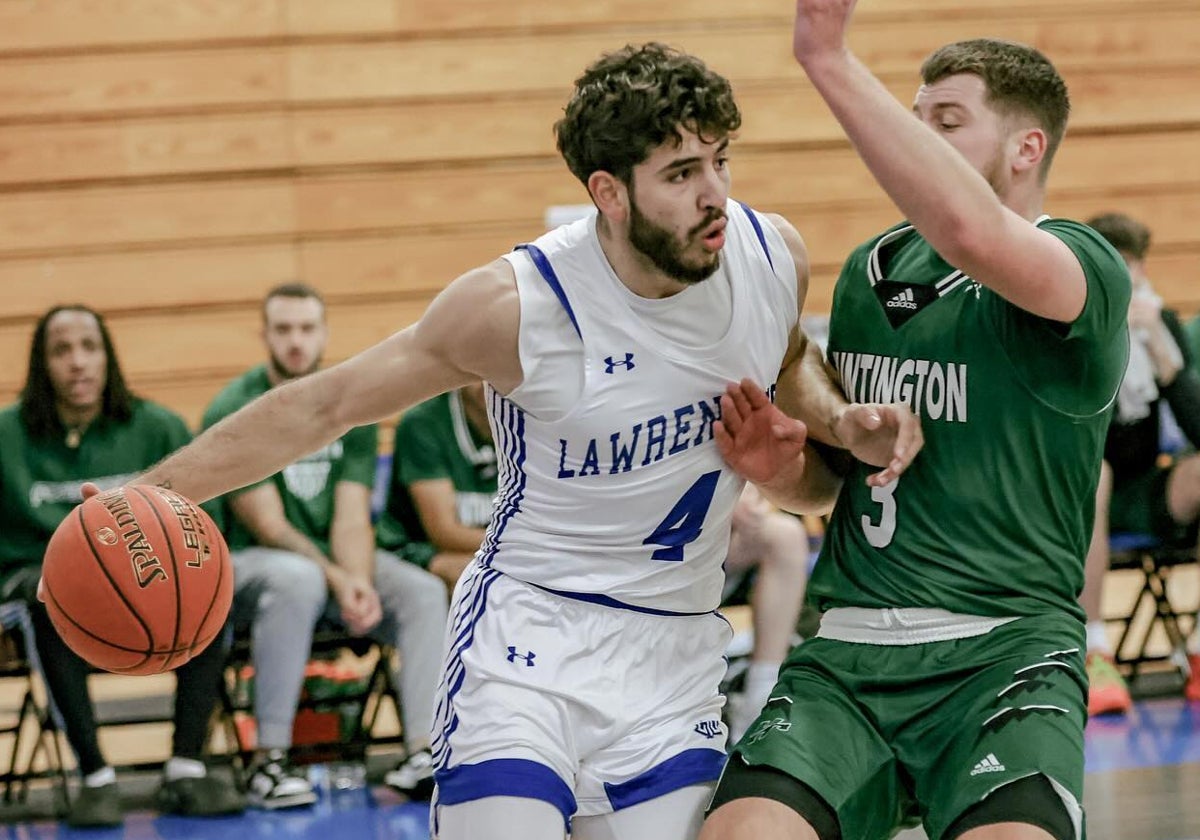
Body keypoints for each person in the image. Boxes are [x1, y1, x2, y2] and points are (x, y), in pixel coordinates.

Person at [55, 43, 923, 839]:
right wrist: (155, 491)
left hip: (672, 653)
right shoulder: (521, 307)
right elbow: (328, 404)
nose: (715, 196)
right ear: (608, 192)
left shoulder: (771, 258)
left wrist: (827, 431)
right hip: (529, 642)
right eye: (682, 172)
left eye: (721, 162)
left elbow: (794, 375)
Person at [700, 5, 1131, 840]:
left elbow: (972, 230)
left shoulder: (1084, 265)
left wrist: (824, 58)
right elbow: (832, 485)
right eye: (915, 117)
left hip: (1004, 653)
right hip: (852, 649)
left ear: (1026, 147)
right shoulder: (871, 268)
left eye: (947, 121)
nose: (917, 136)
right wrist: (779, 467)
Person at [201, 283, 449, 808]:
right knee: (299, 578)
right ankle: (270, 761)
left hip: (328, 560)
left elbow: (352, 514)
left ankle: (422, 752)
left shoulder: (349, 401)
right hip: (252, 564)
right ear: (265, 335)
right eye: (284, 329)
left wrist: (357, 580)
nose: (296, 341)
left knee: (421, 591)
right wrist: (338, 577)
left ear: (324, 334)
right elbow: (268, 524)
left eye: (307, 329)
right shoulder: (235, 406)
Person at [0, 306, 244, 826]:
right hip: (33, 578)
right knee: (47, 600)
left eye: (90, 347)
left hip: (147, 577)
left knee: (201, 596)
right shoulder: (7, 436)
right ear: (42, 364)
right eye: (62, 350)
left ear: (107, 357)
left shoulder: (158, 427)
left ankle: (186, 768)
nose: (78, 362)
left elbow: (204, 529)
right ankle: (95, 777)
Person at [1080, 212, 1200, 708]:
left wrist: (1167, 364)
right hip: (1082, 495)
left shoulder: (1161, 321)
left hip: (1146, 488)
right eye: (1119, 264)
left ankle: (1197, 647)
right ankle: (1094, 647)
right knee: (1097, 473)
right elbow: (1078, 430)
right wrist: (1111, 344)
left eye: (1137, 264)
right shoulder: (1075, 330)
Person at [376, 383, 498, 592]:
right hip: (418, 549)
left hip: (495, 548)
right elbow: (444, 532)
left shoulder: (536, 418)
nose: (489, 380)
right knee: (478, 578)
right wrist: (528, 548)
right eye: (479, 368)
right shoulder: (423, 422)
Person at [721, 484, 811, 744]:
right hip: (639, 557)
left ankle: (760, 695)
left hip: (711, 545)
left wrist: (747, 489)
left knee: (785, 535)